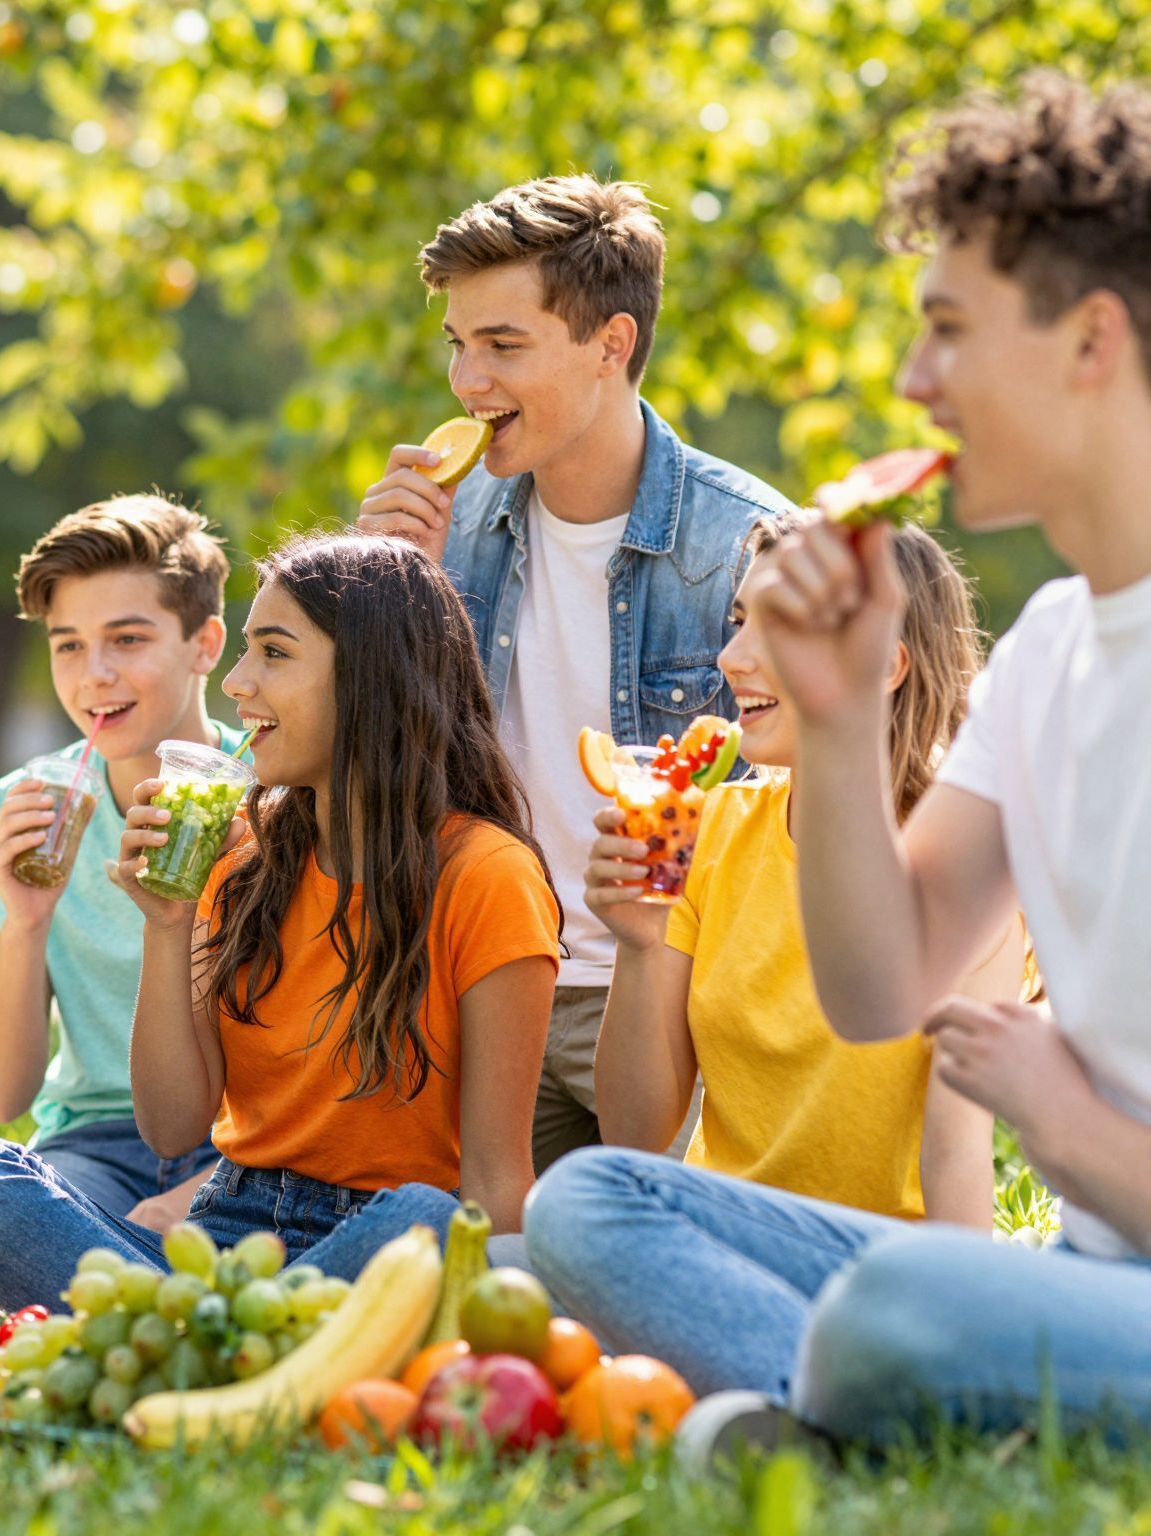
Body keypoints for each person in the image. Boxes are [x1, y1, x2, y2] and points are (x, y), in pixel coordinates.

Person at [557, 73, 1151, 1450]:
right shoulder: (1054, 653)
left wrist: (1072, 1132)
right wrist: (830, 723)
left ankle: (822, 1411)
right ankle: (846, 1417)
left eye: (948, 331)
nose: (913, 384)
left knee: (900, 1313)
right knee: (596, 1205)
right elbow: (883, 987)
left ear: (1091, 340)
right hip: (1073, 1287)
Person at [0, 532, 562, 1309]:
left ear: (371, 677)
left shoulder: (486, 876)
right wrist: (165, 924)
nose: (239, 684)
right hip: (221, 1230)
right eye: (247, 653)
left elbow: (494, 1184)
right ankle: (211, 1335)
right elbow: (173, 1128)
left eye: (275, 654)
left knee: (424, 1220)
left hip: (379, 1243)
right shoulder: (247, 853)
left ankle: (176, 1334)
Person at [523, 518, 1027, 1395]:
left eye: (776, 628)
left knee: (572, 1212)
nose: (730, 659)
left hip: (880, 1263)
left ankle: (823, 1395)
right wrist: (638, 947)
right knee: (477, 1232)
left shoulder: (960, 861)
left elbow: (956, 1152)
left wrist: (963, 1338)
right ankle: (817, 1382)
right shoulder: (712, 830)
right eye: (737, 622)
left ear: (884, 664)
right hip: (725, 1234)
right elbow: (640, 1135)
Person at [358, 175, 797, 1174]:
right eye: (459, 346)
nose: (467, 382)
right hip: (490, 978)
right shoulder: (441, 528)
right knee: (463, 1276)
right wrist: (376, 599)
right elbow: (367, 772)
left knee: (636, 1275)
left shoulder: (746, 543)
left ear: (610, 345)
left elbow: (807, 805)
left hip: (680, 993)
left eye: (503, 346)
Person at [0, 496, 240, 1224]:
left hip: (244, 1140)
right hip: (95, 1145)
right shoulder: (28, 805)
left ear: (205, 644)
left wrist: (184, 1199)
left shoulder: (273, 793)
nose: (94, 676)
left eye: (127, 640)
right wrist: (23, 924)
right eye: (69, 645)